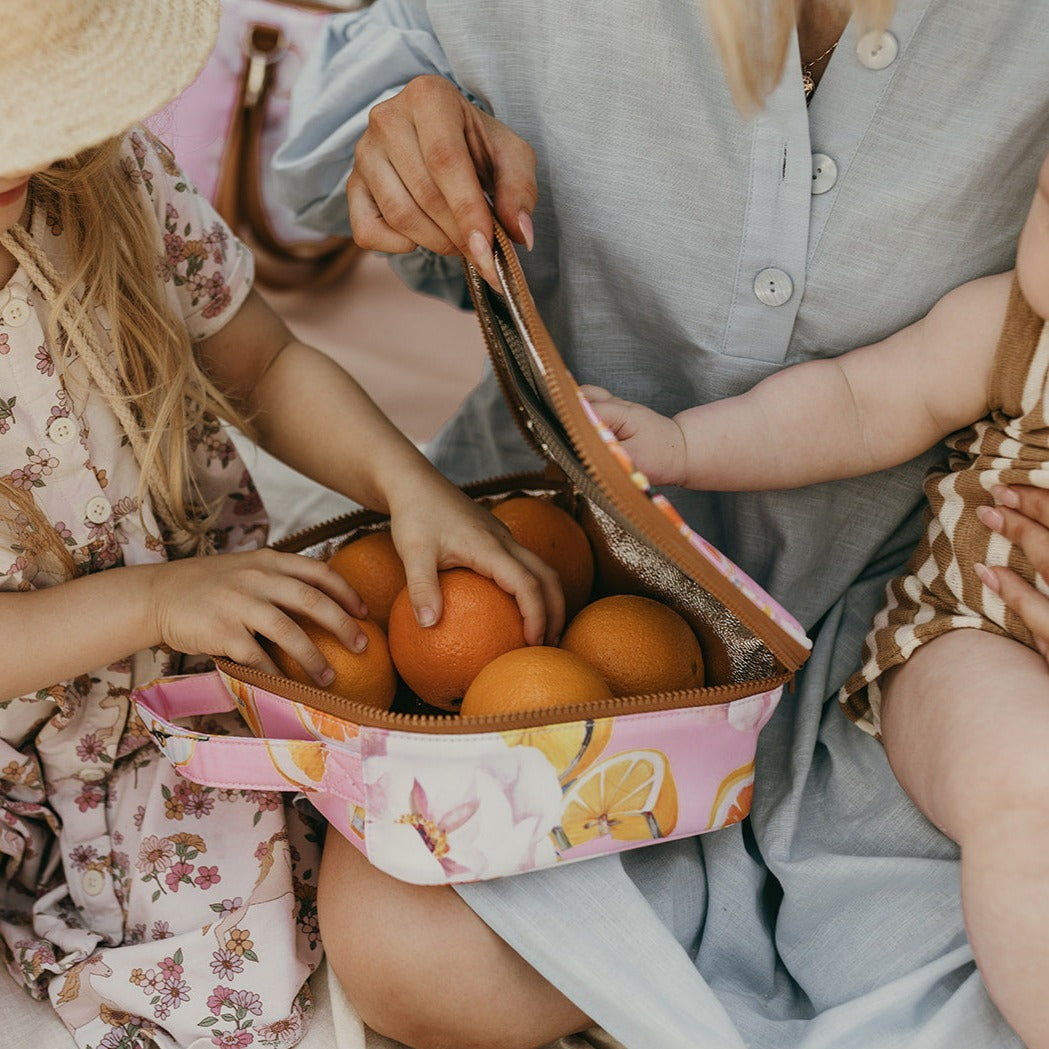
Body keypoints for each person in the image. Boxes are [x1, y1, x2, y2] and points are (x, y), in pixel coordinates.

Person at [273, 1, 1049, 1047]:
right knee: (403, 949)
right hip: (571, 584)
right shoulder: (996, 327)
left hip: (905, 649)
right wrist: (410, 133)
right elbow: (313, 156)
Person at [0, 3, 563, 1048]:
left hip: (202, 655)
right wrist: (158, 597)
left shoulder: (101, 181)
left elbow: (263, 363)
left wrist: (408, 485)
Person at [581, 144, 1049, 1048]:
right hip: (967, 635)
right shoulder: (1012, 331)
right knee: (1026, 788)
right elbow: (856, 400)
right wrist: (682, 445)